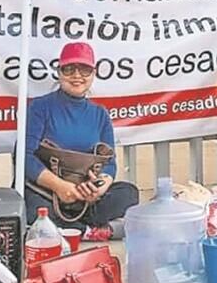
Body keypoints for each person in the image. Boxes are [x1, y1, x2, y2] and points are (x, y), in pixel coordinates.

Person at [21, 42, 139, 241]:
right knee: (32, 208)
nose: (77, 75)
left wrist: (98, 189)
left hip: (86, 196)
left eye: (84, 69)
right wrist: (60, 186)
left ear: (94, 73)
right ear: (59, 72)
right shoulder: (39, 107)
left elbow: (110, 164)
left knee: (128, 193)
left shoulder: (100, 114)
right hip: (48, 192)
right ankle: (92, 231)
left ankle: (72, 230)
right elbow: (24, 156)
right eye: (69, 69)